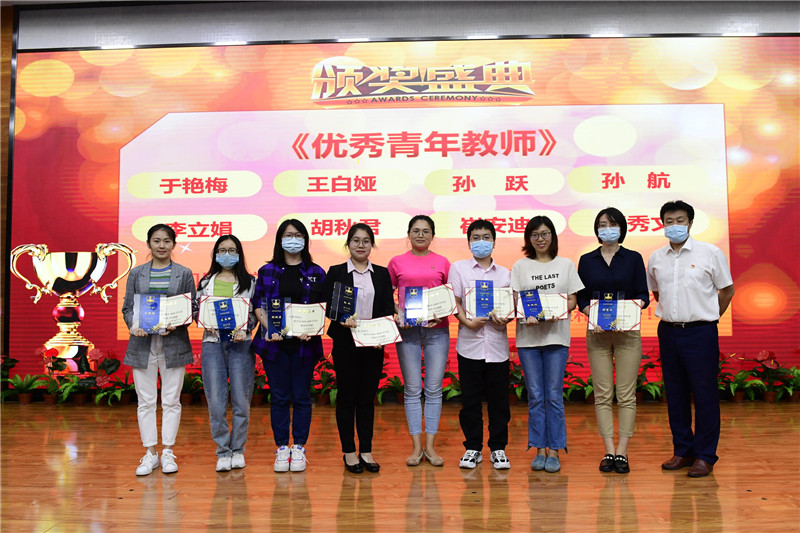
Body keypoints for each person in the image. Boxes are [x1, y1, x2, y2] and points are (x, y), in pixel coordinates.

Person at [647, 200, 734, 478]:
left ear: (690, 223)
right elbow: (657, 293)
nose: (674, 225)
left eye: (680, 220)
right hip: (669, 331)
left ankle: (705, 455)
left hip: (701, 332)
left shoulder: (710, 253)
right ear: (663, 224)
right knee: (675, 394)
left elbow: (727, 290)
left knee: (705, 394)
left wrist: (710, 317)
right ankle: (683, 450)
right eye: (669, 221)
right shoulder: (656, 258)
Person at [577, 208, 650, 474]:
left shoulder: (633, 258)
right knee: (603, 394)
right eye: (602, 224)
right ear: (596, 230)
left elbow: (643, 296)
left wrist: (629, 312)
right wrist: (592, 315)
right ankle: (608, 450)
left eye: (612, 224)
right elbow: (582, 297)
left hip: (627, 334)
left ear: (622, 228)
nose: (607, 228)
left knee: (627, 395)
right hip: (597, 334)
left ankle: (622, 451)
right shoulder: (587, 260)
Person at [511, 216, 584, 473]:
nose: (540, 239)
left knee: (553, 396)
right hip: (528, 339)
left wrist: (558, 310)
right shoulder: (520, 266)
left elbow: (573, 300)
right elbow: (515, 301)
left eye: (545, 234)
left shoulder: (566, 265)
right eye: (535, 235)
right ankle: (539, 448)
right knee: (535, 396)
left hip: (557, 338)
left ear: (552, 236)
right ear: (528, 239)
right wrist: (526, 314)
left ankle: (555, 450)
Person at [252, 219, 326, 473]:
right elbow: (258, 305)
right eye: (288, 235)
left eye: (298, 235)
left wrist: (312, 328)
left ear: (305, 239)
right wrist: (270, 328)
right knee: (280, 397)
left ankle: (300, 447)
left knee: (302, 397)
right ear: (280, 239)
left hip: (305, 344)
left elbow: (322, 308)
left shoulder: (316, 272)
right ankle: (282, 447)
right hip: (275, 345)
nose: (293, 239)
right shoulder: (267, 271)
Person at [122, 223, 196, 476]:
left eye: (166, 241)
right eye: (156, 241)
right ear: (148, 244)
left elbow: (190, 308)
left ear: (173, 244)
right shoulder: (137, 273)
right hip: (142, 344)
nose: (161, 245)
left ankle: (168, 452)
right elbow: (128, 308)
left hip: (174, 344)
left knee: (172, 401)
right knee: (145, 401)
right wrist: (134, 325)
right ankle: (150, 453)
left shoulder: (184, 273)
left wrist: (178, 322)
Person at [322, 223, 395, 474]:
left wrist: (383, 334)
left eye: (366, 241)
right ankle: (349, 452)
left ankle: (366, 450)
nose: (360, 245)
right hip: (345, 343)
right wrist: (340, 318)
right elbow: (327, 305)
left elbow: (387, 309)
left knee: (366, 399)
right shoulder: (336, 272)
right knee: (346, 398)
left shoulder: (382, 274)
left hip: (373, 345)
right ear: (348, 244)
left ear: (372, 245)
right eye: (356, 240)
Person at [388, 215, 451, 466]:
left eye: (426, 231)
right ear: (409, 234)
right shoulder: (396, 262)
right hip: (408, 332)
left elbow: (450, 297)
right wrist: (399, 311)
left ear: (432, 235)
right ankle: (416, 447)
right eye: (416, 230)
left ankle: (431, 447)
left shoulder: (443, 262)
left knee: (434, 389)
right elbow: (387, 295)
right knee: (412, 389)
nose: (421, 235)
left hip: (437, 331)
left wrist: (442, 313)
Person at [449, 219, 512, 470]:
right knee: (470, 401)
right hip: (469, 345)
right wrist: (467, 322)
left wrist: (506, 317)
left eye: (486, 237)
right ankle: (473, 447)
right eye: (476, 237)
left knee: (499, 402)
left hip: (497, 347)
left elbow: (511, 307)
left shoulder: (506, 273)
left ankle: (498, 448)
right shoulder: (459, 268)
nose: (481, 242)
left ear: (494, 242)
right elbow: (454, 301)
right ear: (468, 242)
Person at [196, 234, 257, 472]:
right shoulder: (205, 282)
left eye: (232, 250)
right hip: (212, 344)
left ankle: (238, 449)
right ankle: (223, 451)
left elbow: (254, 313)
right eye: (222, 250)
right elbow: (196, 310)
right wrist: (204, 321)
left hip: (241, 344)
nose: (227, 255)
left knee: (242, 400)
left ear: (239, 254)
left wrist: (246, 328)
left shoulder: (250, 282)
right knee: (216, 402)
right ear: (215, 254)